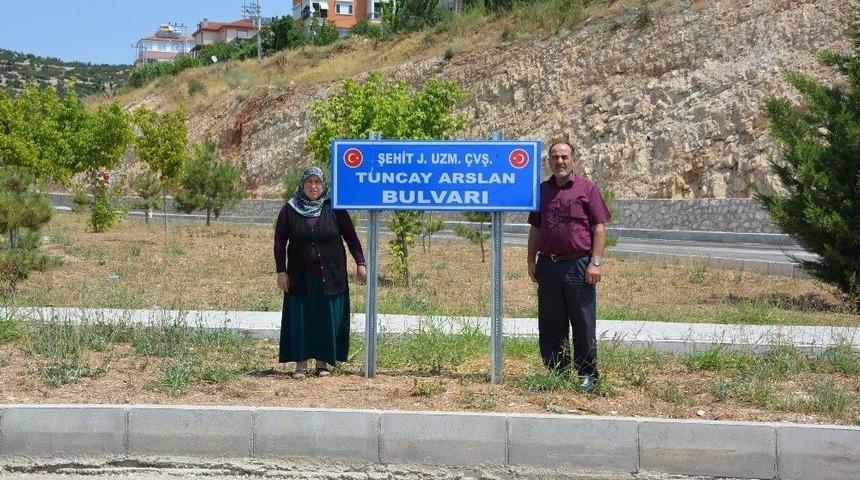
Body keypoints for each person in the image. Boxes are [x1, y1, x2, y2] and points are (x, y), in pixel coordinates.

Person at [526, 141, 611, 392]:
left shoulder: (587, 188)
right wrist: (531, 259)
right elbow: (536, 227)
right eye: (554, 157)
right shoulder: (541, 191)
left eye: (564, 156)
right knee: (551, 322)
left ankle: (588, 374)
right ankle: (557, 372)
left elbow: (599, 227)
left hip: (578, 265)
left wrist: (595, 262)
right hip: (548, 266)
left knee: (583, 322)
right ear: (548, 162)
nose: (559, 161)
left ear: (573, 159)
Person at [273, 167, 367, 378]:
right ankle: (300, 364)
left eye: (318, 182)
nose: (314, 186)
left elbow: (351, 237)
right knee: (301, 319)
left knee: (327, 318)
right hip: (299, 277)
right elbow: (279, 243)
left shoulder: (335, 208)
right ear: (302, 184)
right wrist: (281, 271)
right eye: (309, 182)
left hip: (331, 277)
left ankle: (322, 364)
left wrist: (360, 263)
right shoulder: (289, 209)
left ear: (324, 185)